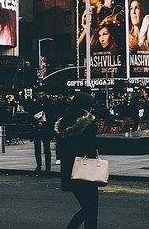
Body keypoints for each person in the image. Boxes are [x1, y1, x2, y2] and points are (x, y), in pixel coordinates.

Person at [55, 92, 99, 229]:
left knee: (87, 207)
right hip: (84, 169)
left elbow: (60, 149)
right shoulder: (88, 122)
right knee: (91, 208)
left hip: (69, 168)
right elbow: (91, 146)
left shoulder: (64, 120)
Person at [30, 90, 54, 174]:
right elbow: (31, 116)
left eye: (42, 94)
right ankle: (39, 165)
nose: (41, 96)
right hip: (37, 128)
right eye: (39, 94)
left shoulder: (49, 104)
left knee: (46, 148)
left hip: (45, 128)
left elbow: (51, 116)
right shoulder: (34, 104)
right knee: (37, 148)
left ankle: (48, 167)